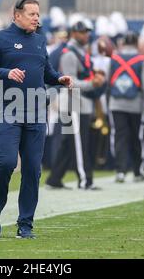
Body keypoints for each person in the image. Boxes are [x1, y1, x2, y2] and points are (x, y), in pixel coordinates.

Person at [0, 0, 72, 239]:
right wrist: (7, 72)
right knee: (7, 162)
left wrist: (59, 79)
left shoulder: (40, 41)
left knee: (32, 169)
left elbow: (46, 72)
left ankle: (25, 223)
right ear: (16, 15)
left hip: (36, 111)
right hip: (7, 110)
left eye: (38, 14)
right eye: (31, 14)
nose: (36, 18)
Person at [46, 21, 106, 190]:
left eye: (87, 31)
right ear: (73, 33)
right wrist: (93, 83)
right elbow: (69, 82)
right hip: (74, 105)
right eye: (82, 32)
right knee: (80, 144)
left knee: (68, 144)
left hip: (79, 104)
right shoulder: (70, 54)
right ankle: (85, 179)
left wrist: (96, 77)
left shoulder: (80, 52)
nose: (86, 35)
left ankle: (54, 179)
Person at [106, 31, 144, 183]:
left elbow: (108, 83)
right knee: (137, 138)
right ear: (136, 43)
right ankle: (138, 171)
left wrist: (107, 104)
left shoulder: (114, 59)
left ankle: (120, 170)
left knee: (119, 137)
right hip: (136, 105)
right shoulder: (142, 60)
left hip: (116, 104)